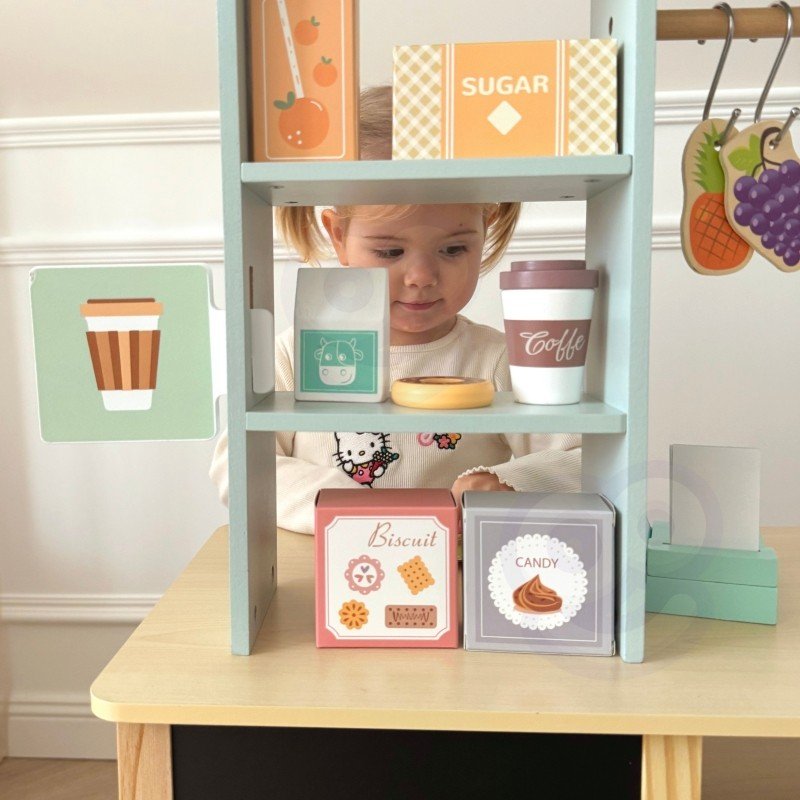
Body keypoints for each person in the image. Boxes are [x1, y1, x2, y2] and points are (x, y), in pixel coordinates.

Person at [210, 86, 580, 533]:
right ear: (338, 236)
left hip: (454, 567)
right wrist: (358, 506)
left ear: (486, 228)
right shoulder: (294, 356)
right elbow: (238, 466)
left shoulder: (502, 360)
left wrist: (506, 482)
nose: (421, 276)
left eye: (453, 248)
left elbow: (582, 457)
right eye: (389, 252)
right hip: (326, 566)